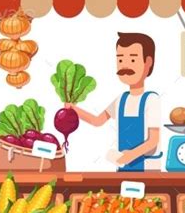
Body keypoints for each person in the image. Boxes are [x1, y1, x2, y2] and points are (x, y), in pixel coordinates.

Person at [67, 32, 162, 172]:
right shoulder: (121, 100)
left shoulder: (151, 100)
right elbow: (97, 121)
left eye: (133, 60)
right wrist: (73, 109)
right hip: (123, 166)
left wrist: (131, 155)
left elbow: (153, 141)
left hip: (147, 168)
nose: (125, 66)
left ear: (148, 62)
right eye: (120, 60)